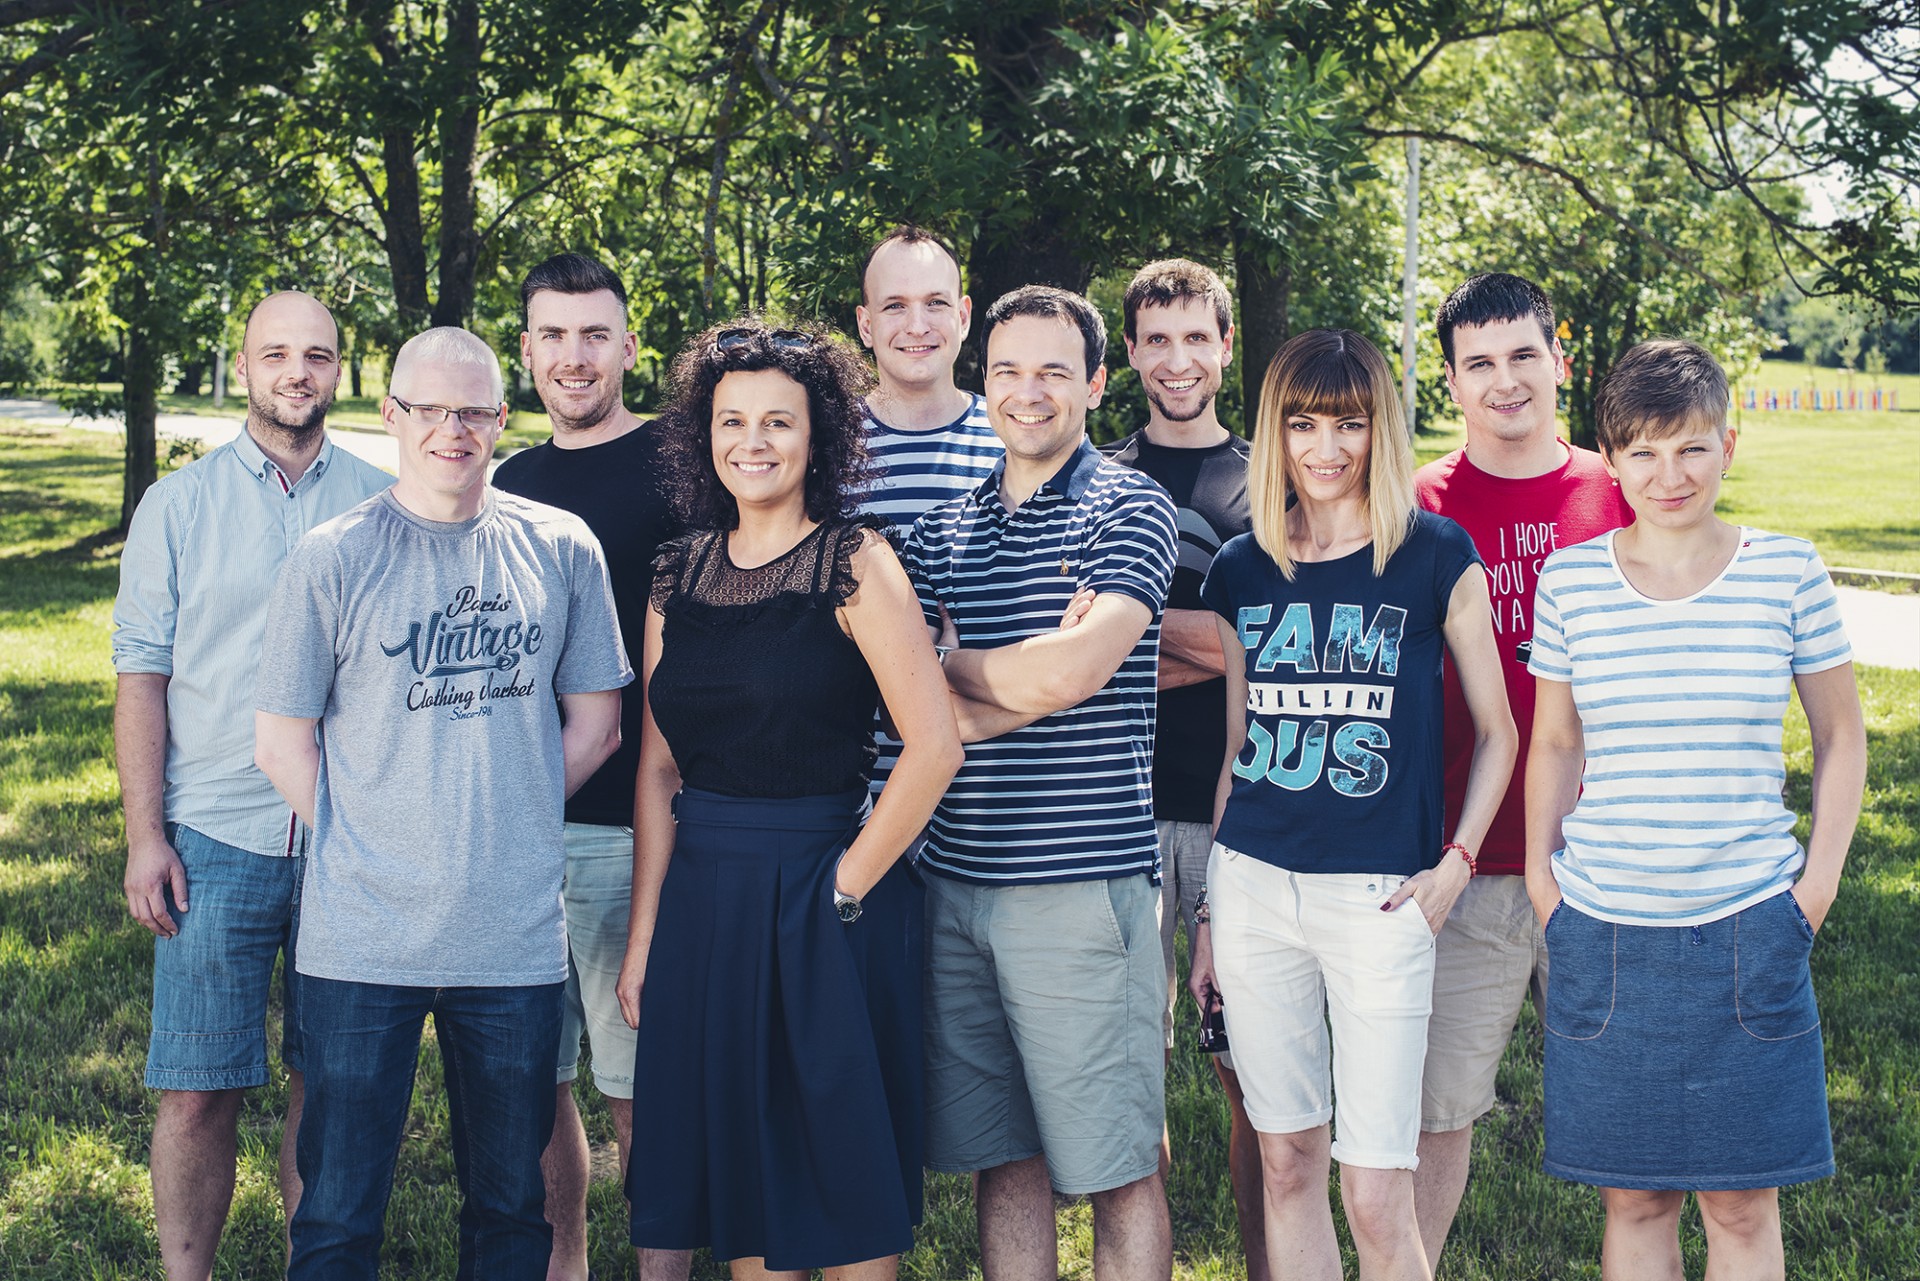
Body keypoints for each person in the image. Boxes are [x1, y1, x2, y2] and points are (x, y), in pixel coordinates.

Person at [254, 327, 630, 1280]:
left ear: (502, 418)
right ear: (391, 414)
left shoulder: (561, 547)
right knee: (336, 1214)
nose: (451, 430)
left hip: (512, 935)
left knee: (510, 1212)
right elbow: (281, 743)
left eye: (472, 411)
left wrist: (511, 814)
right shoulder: (332, 558)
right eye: (429, 409)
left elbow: (597, 727)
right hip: (360, 937)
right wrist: (376, 834)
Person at [616, 318, 963, 1280]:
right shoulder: (675, 573)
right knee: (748, 1198)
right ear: (705, 434)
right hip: (706, 902)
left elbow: (933, 746)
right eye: (733, 421)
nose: (754, 441)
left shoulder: (855, 561)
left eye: (779, 421)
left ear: (819, 436)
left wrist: (844, 888)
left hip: (826, 892)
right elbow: (658, 768)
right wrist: (646, 935)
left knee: (840, 1182)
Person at [1525, 339, 1865, 1281]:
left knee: (1741, 1203)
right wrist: (1546, 887)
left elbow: (1842, 735)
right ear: (1611, 457)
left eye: (1691, 448)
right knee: (1636, 1199)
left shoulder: (1787, 571)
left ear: (1729, 444)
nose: (1668, 475)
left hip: (1752, 926)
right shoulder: (1571, 580)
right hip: (1605, 929)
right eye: (1642, 451)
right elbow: (1556, 742)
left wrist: (1815, 889)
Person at [1188, 328, 1516, 1281]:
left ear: (1382, 431)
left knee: (1375, 1190)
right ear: (1276, 432)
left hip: (1380, 899)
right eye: (1302, 424)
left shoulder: (1434, 555)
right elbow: (1239, 748)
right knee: (1287, 1161)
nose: (1326, 447)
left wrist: (1455, 864)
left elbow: (1499, 732)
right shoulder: (1242, 567)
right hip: (1254, 889)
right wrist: (1210, 910)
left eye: (1349, 423)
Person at [112, 290, 390, 1280]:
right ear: (242, 368)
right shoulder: (177, 506)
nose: (296, 372)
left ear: (339, 369)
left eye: (316, 354)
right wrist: (147, 835)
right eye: (275, 354)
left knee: (331, 1088)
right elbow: (142, 677)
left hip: (348, 841)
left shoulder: (385, 503)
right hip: (213, 839)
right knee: (197, 1089)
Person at [904, 285, 1179, 1281]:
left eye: (1054, 371)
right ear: (982, 380)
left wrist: (954, 665)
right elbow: (902, 702)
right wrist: (1021, 676)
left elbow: (1074, 673)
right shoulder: (940, 533)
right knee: (1003, 1157)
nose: (1028, 391)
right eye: (1008, 370)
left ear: (1098, 384)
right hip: (955, 886)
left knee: (1116, 1166)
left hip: (1079, 888)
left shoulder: (1131, 507)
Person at [1410, 272, 1633, 1266]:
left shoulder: (1622, 491)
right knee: (1435, 1116)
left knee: (1633, 1118)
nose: (1505, 380)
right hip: (1466, 862)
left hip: (1608, 861)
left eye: (1523, 355)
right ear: (1452, 381)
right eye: (1480, 363)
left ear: (1560, 362)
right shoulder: (1415, 503)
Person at [490, 252, 689, 1281]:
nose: (574, 357)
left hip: (635, 827)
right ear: (527, 350)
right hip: (519, 831)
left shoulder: (679, 467)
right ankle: (562, 1263)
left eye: (595, 335)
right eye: (554, 336)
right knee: (535, 1081)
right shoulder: (506, 482)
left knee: (638, 1083)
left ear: (628, 346)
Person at [1104, 258, 1267, 1281]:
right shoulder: (1096, 477)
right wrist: (1216, 638)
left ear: (1224, 345)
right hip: (1111, 812)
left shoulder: (1265, 480)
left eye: (1195, 338)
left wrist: (1125, 632)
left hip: (1232, 809)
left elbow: (1274, 641)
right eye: (1156, 340)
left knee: (1252, 1078)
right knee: (1131, 1076)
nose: (1177, 360)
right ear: (1128, 352)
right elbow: (1063, 647)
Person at [852, 224, 1002, 806]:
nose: (917, 325)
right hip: (857, 797)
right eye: (895, 306)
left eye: (935, 303)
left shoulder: (1018, 439)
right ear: (866, 324)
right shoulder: (817, 449)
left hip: (993, 795)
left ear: (963, 316)